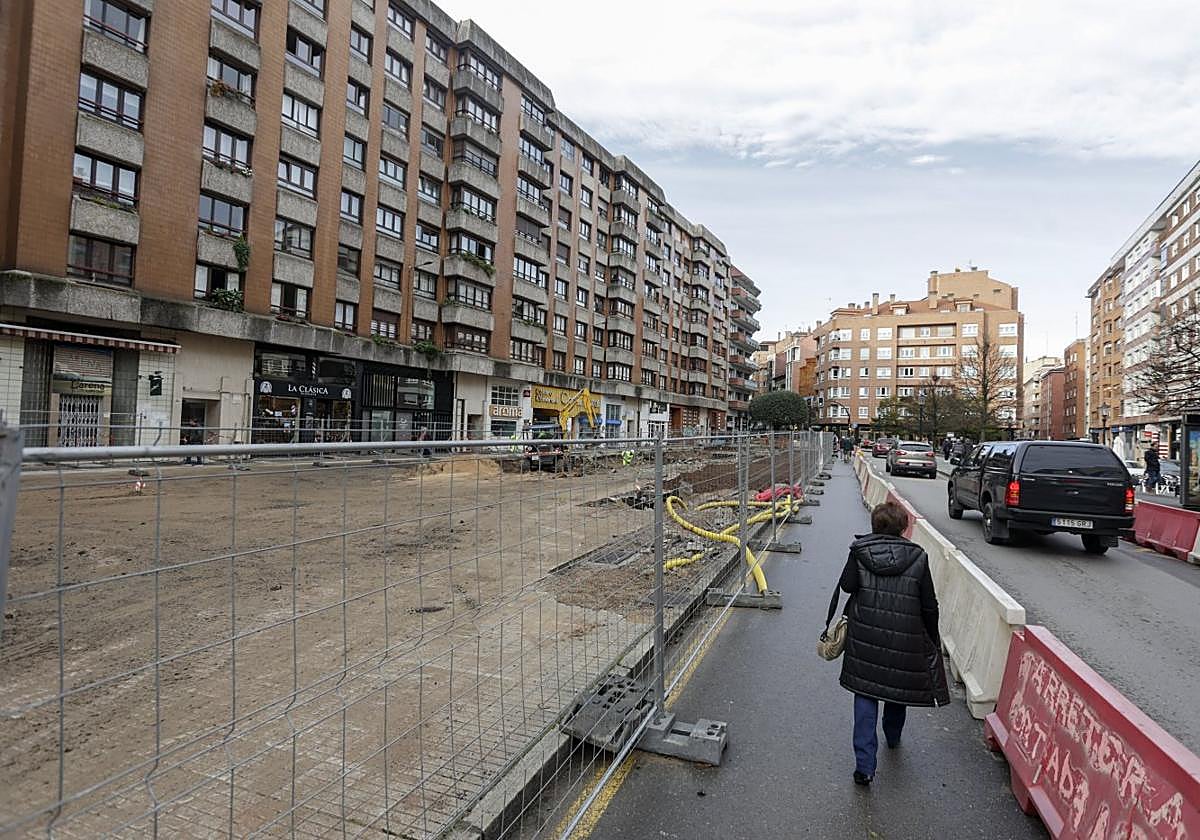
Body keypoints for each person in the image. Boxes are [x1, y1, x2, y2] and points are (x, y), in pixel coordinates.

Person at [836, 501, 949, 786]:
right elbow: (929, 605)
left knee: (865, 693)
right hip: (905, 635)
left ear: (874, 526)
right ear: (904, 527)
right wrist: (932, 638)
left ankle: (865, 767)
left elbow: (848, 586)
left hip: (866, 635)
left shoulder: (859, 551)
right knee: (897, 689)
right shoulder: (918, 557)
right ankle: (894, 736)